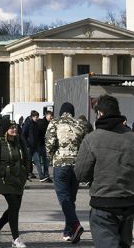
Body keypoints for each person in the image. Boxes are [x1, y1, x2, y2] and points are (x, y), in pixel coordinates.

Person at [75, 95, 134, 248]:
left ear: (100, 113)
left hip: (103, 202)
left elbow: (81, 173)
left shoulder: (92, 139)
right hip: (129, 202)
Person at [47, 101, 90, 243]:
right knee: (71, 199)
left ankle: (76, 225)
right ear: (72, 112)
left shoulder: (55, 122)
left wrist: (51, 158)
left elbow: (49, 143)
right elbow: (85, 145)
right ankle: (68, 231)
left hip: (61, 164)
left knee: (64, 199)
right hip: (76, 165)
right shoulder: (80, 124)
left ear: (61, 111)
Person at [0, 116, 32, 248]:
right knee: (14, 206)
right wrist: (2, 172)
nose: (14, 129)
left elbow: (26, 156)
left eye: (15, 127)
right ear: (5, 129)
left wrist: (26, 171)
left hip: (19, 179)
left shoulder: (19, 141)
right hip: (5, 180)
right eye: (11, 127)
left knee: (15, 208)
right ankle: (15, 239)